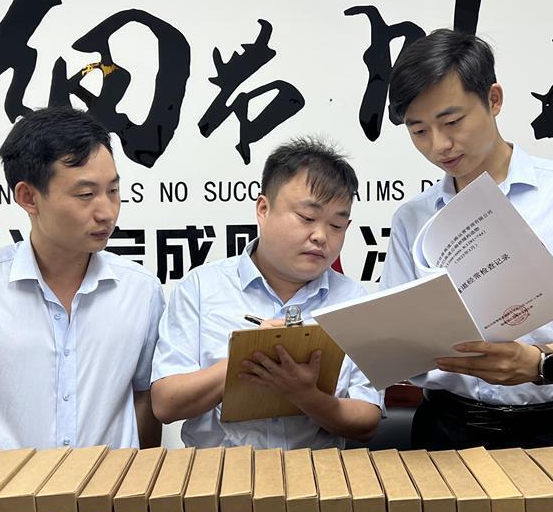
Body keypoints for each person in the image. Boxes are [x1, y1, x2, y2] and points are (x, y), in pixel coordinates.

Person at [382, 29, 553, 449]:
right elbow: (400, 340)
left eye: (452, 122)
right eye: (419, 131)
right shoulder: (413, 219)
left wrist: (540, 362)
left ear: (494, 99)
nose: (439, 145)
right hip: (442, 429)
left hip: (546, 430)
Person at [0, 106, 164, 451]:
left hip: (112, 486)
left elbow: (144, 399)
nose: (106, 212)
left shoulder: (141, 290)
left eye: (113, 191)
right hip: (2, 486)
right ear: (28, 197)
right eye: (85, 195)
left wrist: (136, 479)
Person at [151, 137, 383, 448]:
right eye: (307, 218)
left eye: (337, 226)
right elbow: (165, 404)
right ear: (263, 208)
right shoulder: (201, 288)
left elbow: (367, 420)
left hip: (317, 474)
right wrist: (249, 358)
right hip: (220, 474)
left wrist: (307, 396)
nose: (320, 236)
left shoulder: (353, 299)